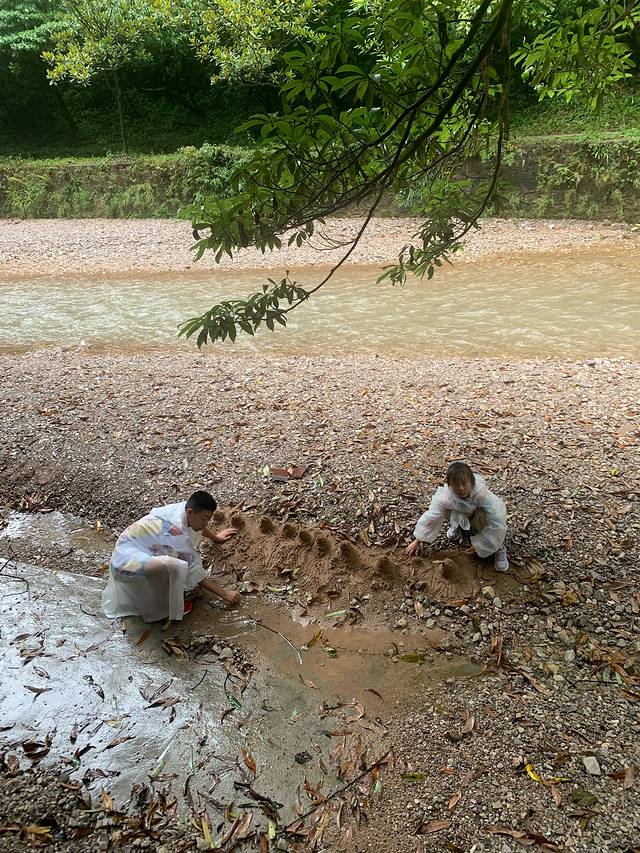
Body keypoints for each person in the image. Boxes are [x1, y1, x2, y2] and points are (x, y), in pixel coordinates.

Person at [102, 490, 240, 622]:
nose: (206, 524)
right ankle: (163, 610)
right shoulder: (174, 532)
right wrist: (224, 593)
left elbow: (197, 526)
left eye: (208, 519)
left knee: (172, 563)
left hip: (130, 551)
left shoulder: (182, 510)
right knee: (172, 566)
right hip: (124, 564)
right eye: (204, 519)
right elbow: (193, 569)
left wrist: (216, 537)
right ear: (190, 512)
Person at [405, 461, 509, 572]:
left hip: (478, 517)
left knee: (484, 515)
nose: (460, 488)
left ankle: (499, 547)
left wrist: (482, 545)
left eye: (464, 483)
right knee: (444, 509)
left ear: (472, 482)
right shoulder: (446, 496)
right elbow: (432, 516)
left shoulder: (482, 495)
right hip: (463, 514)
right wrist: (418, 539)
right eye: (455, 484)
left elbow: (497, 521)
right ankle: (458, 526)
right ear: (449, 485)